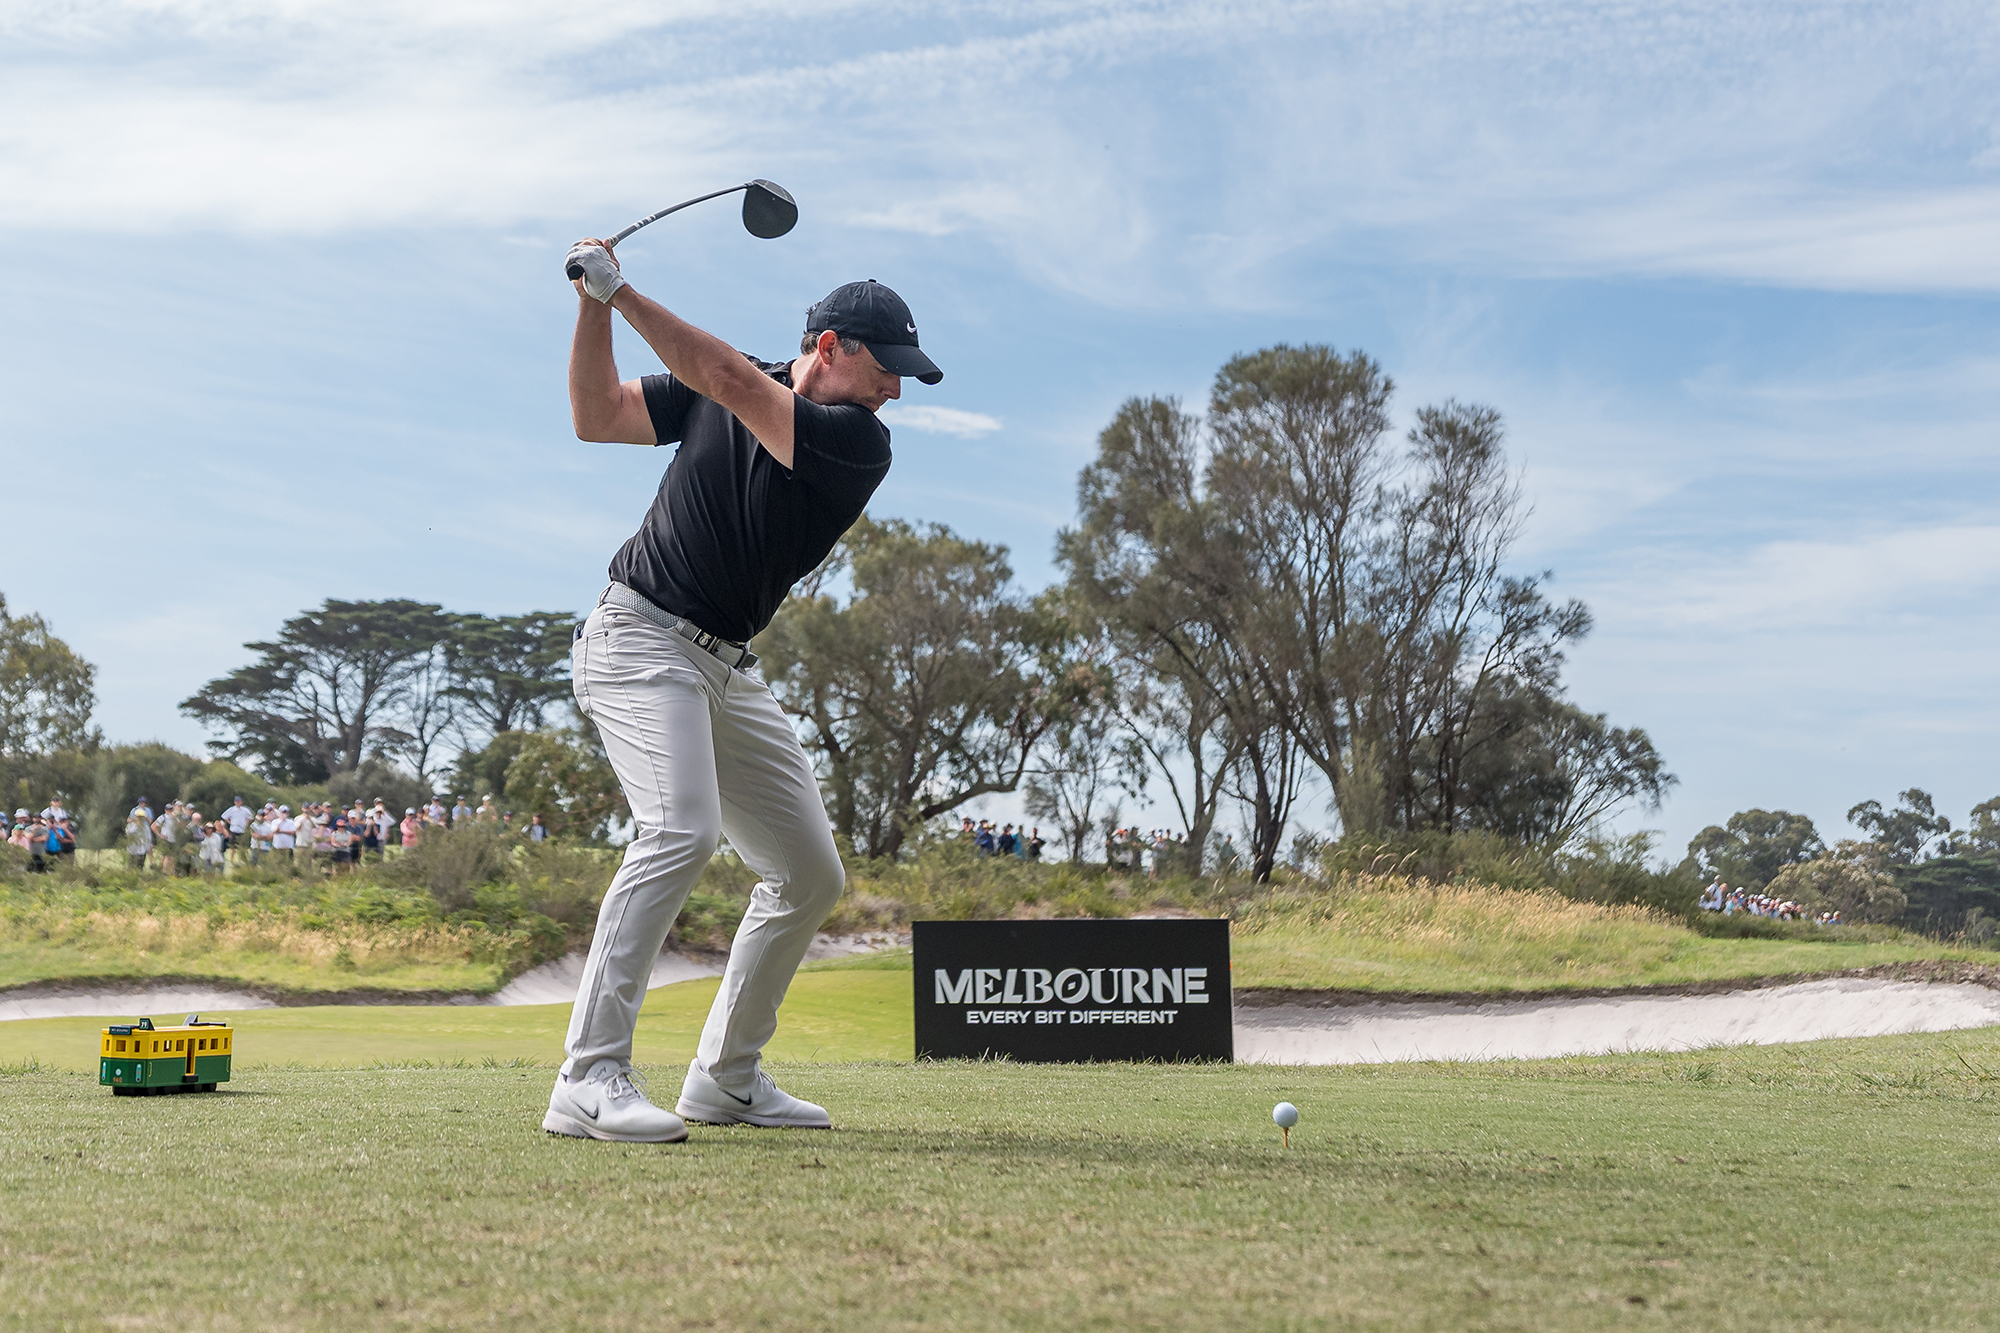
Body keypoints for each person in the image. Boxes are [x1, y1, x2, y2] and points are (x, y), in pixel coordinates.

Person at [545, 239, 941, 1144]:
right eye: (887, 368)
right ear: (831, 345)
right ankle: (588, 1075)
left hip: (721, 665)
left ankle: (725, 1078)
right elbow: (596, 414)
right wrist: (593, 307)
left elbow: (724, 379)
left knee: (808, 873)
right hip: (636, 636)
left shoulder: (858, 444)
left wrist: (625, 290)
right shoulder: (738, 379)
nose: (897, 390)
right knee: (679, 829)